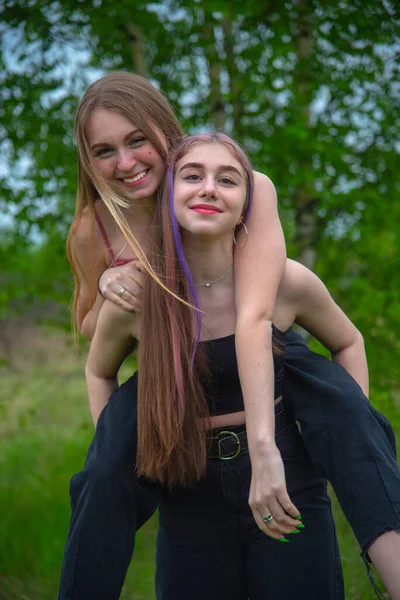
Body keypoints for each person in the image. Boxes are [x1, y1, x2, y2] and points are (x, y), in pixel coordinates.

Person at [58, 72, 400, 600]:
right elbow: (92, 333)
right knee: (103, 469)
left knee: (344, 410)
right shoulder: (96, 227)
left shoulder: (238, 186)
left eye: (136, 141)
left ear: (164, 133)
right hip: (176, 379)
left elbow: (257, 312)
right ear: (88, 159)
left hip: (265, 349)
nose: (125, 163)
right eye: (105, 151)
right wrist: (109, 286)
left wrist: (275, 445)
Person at [85, 132, 346, 598]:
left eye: (227, 180)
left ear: (248, 203)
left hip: (284, 468)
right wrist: (118, 454)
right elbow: (99, 368)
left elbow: (348, 342)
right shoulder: (142, 295)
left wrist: (336, 431)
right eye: (192, 176)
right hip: (186, 482)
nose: (208, 188)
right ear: (168, 195)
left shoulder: (283, 280)